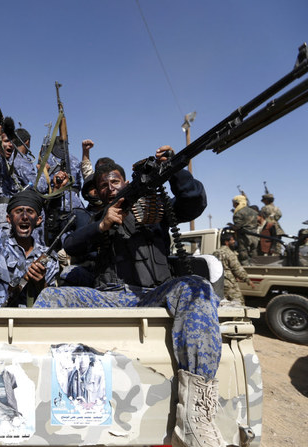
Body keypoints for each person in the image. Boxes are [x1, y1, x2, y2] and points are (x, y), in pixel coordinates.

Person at [33, 150, 228, 447]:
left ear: (125, 181)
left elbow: (193, 201)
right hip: (110, 297)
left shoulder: (155, 207)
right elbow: (71, 244)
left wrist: (174, 169)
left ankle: (196, 415)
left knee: (196, 287)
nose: (110, 187)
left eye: (115, 181)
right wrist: (102, 225)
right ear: (96, 192)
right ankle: (40, 388)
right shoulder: (92, 216)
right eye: (103, 185)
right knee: (51, 297)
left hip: (153, 295)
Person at [0, 121, 58, 307]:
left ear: (39, 219)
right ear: (8, 219)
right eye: (19, 211)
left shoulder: (49, 257)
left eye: (30, 212)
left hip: (32, 326)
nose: (25, 216)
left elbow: (51, 300)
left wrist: (40, 282)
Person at [212, 231, 254, 306]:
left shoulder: (215, 253)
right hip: (229, 282)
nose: (234, 241)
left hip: (218, 282)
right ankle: (240, 318)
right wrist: (247, 279)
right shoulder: (229, 253)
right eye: (232, 240)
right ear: (226, 242)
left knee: (223, 304)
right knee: (239, 302)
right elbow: (236, 268)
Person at [231, 195, 258, 265]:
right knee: (254, 254)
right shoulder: (254, 212)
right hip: (255, 236)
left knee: (243, 255)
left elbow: (237, 226)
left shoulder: (238, 212)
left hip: (244, 237)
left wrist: (232, 226)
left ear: (237, 203)